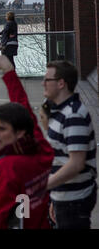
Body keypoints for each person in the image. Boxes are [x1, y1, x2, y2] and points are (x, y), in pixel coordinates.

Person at [0, 54, 54, 229]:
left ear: (20, 133)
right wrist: (8, 71)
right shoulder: (43, 150)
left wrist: (9, 71)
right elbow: (25, 109)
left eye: (2, 129)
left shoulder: (6, 170)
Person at [43, 61, 97, 229]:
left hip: (74, 200)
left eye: (47, 80)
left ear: (61, 83)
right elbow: (60, 159)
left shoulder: (73, 115)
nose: (43, 83)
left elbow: (76, 163)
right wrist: (55, 196)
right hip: (65, 196)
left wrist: (44, 186)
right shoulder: (61, 112)